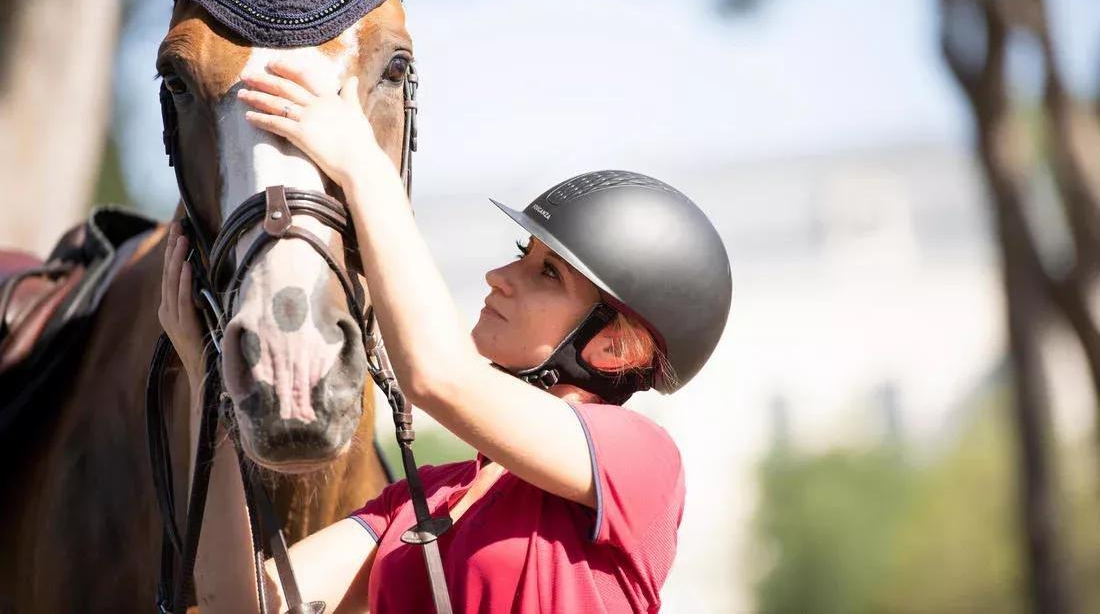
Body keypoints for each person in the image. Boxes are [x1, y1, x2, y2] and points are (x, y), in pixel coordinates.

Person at [158, 59, 732, 613]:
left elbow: (439, 378)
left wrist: (363, 167)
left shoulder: (640, 459)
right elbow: (239, 604)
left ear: (615, 346)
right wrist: (212, 384)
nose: (499, 278)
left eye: (547, 275)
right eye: (519, 256)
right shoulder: (421, 500)